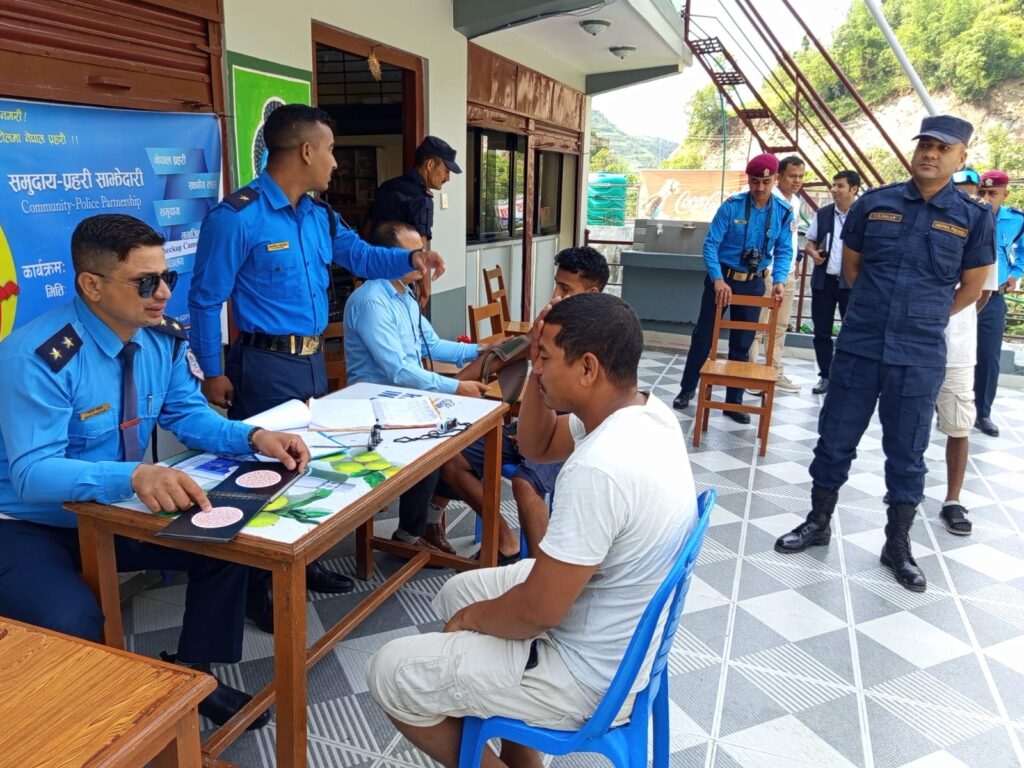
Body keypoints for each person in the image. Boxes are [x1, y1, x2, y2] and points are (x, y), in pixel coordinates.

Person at [0, 214, 312, 729]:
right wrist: (135, 477)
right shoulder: (38, 358)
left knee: (228, 542)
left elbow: (187, 414)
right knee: (70, 619)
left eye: (167, 277)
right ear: (92, 285)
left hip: (112, 508)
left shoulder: (161, 339)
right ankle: (99, 734)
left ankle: (192, 676)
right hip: (27, 523)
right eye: (145, 282)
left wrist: (253, 436)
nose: (164, 293)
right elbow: (33, 473)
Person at [365, 292, 697, 768]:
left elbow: (538, 612)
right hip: (618, 629)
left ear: (587, 368)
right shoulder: (643, 413)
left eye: (546, 359)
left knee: (390, 671)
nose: (535, 369)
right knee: (457, 591)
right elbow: (536, 446)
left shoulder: (601, 466)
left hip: (587, 676)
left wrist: (473, 621)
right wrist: (540, 368)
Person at [188, 104, 445, 600]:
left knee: (308, 467)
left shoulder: (319, 216)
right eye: (329, 150)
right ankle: (259, 590)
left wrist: (411, 257)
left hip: (310, 363)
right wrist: (212, 372)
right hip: (263, 363)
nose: (334, 162)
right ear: (306, 151)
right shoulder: (237, 218)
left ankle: (304, 565)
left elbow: (362, 256)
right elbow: (204, 300)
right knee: (261, 474)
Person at [775, 116, 995, 592]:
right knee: (834, 439)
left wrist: (924, 315)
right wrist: (880, 312)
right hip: (861, 344)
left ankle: (897, 543)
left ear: (961, 158)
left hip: (918, 354)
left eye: (943, 148)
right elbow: (852, 268)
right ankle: (818, 521)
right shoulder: (875, 203)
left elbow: (972, 289)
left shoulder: (975, 218)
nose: (930, 154)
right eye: (925, 144)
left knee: (907, 453)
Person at [431, 246, 610, 561]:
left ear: (591, 293)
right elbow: (503, 356)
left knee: (525, 483)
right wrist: (455, 385)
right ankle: (506, 541)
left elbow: (593, 411)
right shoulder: (552, 324)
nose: (554, 295)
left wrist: (543, 432)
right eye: (556, 285)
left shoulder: (603, 339)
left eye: (565, 289)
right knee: (451, 459)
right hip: (532, 427)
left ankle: (541, 573)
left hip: (574, 434)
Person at [343, 220, 489, 553]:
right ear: (388, 256)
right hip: (375, 406)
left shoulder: (405, 295)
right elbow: (398, 371)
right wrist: (454, 387)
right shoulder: (370, 300)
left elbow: (431, 345)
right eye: (414, 253)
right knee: (438, 447)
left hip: (405, 400)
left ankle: (426, 523)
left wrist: (480, 350)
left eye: (422, 251)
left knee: (464, 443)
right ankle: (410, 535)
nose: (423, 260)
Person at [673, 153, 794, 422]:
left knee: (743, 341)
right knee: (703, 337)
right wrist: (717, 279)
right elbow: (710, 244)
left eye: (765, 182)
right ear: (748, 180)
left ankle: (733, 402)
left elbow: (784, 249)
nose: (759, 188)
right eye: (754, 181)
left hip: (753, 282)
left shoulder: (783, 212)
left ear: (775, 179)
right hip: (722, 281)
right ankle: (687, 389)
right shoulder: (732, 206)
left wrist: (779, 280)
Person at [936, 250, 998, 536]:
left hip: (958, 348)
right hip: (915, 342)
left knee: (959, 426)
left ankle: (953, 500)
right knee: (909, 420)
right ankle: (905, 487)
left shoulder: (982, 234)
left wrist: (952, 320)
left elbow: (981, 294)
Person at [370, 135, 461, 306]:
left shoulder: (386, 187)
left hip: (375, 271)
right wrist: (425, 290)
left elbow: (369, 227)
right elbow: (421, 246)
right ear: (430, 165)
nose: (448, 178)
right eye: (446, 171)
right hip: (401, 278)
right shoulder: (421, 199)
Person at [973, 169, 1024, 437]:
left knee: (988, 357)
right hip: (963, 296)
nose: (986, 198)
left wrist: (1015, 274)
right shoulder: (966, 214)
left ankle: (982, 413)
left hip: (993, 298)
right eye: (982, 192)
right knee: (950, 352)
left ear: (1005, 194)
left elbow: (1022, 251)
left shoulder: (1016, 221)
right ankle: (945, 406)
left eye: (993, 193)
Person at [748, 155, 805, 393]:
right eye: (792, 176)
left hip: (787, 273)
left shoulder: (796, 203)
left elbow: (790, 239)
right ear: (778, 176)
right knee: (758, 326)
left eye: (800, 176)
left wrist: (796, 262)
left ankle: (774, 372)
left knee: (779, 326)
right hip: (766, 272)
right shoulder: (767, 199)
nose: (797, 181)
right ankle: (751, 375)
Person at [805, 170, 861, 395]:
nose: (834, 189)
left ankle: (846, 377)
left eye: (840, 186)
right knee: (821, 332)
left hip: (851, 283)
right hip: (824, 281)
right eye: (833, 185)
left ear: (854, 189)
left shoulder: (864, 214)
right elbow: (810, 241)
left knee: (852, 332)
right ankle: (826, 375)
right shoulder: (824, 213)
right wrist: (812, 253)